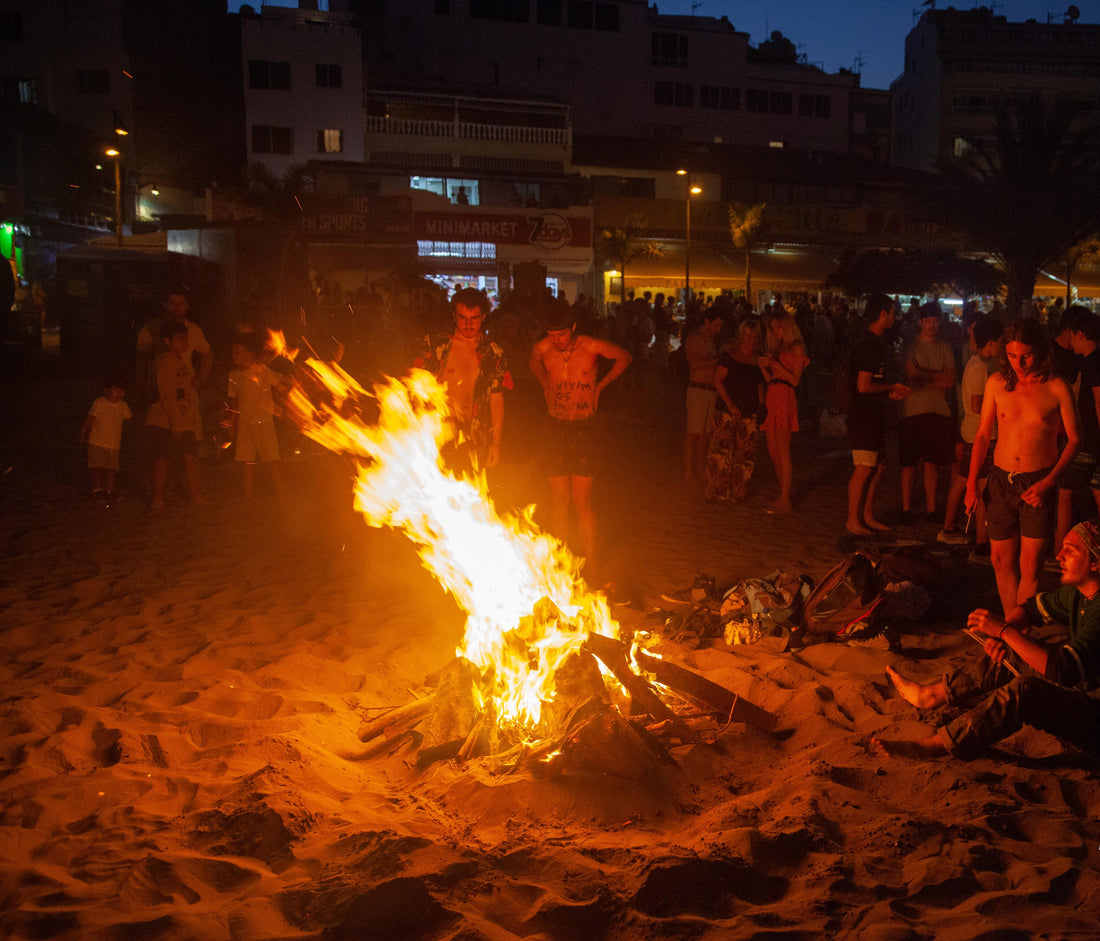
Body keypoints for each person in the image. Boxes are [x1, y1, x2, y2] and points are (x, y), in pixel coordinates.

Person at [872, 522, 1100, 760]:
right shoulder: (1082, 593)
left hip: (1094, 720)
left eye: (1071, 551)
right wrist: (1007, 635)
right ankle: (933, 694)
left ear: (1096, 563)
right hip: (1084, 690)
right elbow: (1031, 609)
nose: (1059, 556)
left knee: (1024, 691)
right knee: (1015, 650)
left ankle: (937, 745)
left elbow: (1063, 669)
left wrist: (1003, 631)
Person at [966, 318, 1079, 617]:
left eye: (1025, 355)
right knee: (1001, 561)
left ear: (1039, 351)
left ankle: (1018, 631)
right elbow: (981, 435)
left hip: (1038, 482)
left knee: (1031, 566)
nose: (1019, 362)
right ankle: (1009, 624)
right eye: (1013, 356)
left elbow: (1075, 439)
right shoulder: (996, 384)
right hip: (1000, 480)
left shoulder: (1056, 386)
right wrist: (970, 485)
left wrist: (1049, 481)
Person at [529, 306, 632, 580]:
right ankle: (561, 563)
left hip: (585, 428)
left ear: (573, 327)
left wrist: (601, 386)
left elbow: (625, 357)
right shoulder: (544, 347)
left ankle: (593, 563)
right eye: (551, 335)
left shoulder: (592, 346)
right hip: (555, 427)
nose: (556, 340)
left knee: (582, 501)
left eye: (560, 334)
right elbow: (533, 359)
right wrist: (544, 384)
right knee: (559, 499)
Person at [415, 287, 512, 472]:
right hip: (436, 433)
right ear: (454, 316)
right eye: (462, 318)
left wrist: (496, 443)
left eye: (474, 318)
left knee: (470, 493)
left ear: (483, 317)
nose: (468, 324)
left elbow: (497, 399)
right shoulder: (436, 344)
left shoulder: (493, 353)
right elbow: (414, 382)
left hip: (474, 435)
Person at [845, 294, 912, 535]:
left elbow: (871, 385)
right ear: (882, 315)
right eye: (892, 313)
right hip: (863, 416)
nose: (895, 317)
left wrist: (889, 393)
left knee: (877, 466)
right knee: (863, 467)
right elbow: (863, 386)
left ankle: (867, 515)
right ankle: (853, 519)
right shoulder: (868, 344)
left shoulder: (877, 343)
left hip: (875, 413)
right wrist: (891, 388)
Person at [938, 315, 1003, 548]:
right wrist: (1001, 400)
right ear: (992, 343)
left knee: (968, 482)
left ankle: (954, 529)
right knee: (976, 485)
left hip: (972, 432)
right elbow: (977, 405)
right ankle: (976, 539)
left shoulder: (976, 365)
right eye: (1001, 342)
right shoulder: (979, 368)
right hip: (978, 433)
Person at [899, 303, 956, 524]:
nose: (932, 324)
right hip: (911, 410)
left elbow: (949, 380)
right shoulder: (911, 346)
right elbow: (911, 375)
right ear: (921, 322)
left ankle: (931, 509)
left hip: (938, 410)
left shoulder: (945, 347)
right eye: (928, 320)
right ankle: (906, 509)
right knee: (909, 463)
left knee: (932, 462)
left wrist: (922, 375)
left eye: (935, 320)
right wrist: (935, 376)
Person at [147, 318, 207, 509]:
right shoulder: (165, 363)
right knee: (162, 460)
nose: (185, 343)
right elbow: (167, 395)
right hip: (165, 421)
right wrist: (176, 421)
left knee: (190, 457)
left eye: (185, 339)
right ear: (167, 341)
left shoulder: (179, 361)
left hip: (183, 420)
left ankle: (196, 496)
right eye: (180, 339)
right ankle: (157, 499)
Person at [705, 316, 765, 503]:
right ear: (741, 336)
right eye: (747, 335)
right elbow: (718, 381)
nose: (750, 340)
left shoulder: (758, 361)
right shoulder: (729, 357)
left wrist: (762, 407)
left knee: (745, 456)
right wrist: (730, 404)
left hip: (749, 411)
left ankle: (738, 492)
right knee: (721, 452)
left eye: (754, 336)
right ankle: (716, 491)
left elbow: (760, 386)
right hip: (726, 410)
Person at [1055, 307, 1100, 552]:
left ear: (1081, 334)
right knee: (1097, 490)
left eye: (1072, 335)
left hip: (1089, 441)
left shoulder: (1093, 363)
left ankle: (1057, 551)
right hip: (1094, 440)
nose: (1069, 340)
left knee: (1064, 491)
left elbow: (1099, 402)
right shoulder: (1089, 362)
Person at [227, 329, 289, 502]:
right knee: (247, 460)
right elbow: (234, 402)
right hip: (245, 424)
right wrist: (232, 422)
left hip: (264, 423)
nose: (233, 355)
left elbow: (280, 384)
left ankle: (281, 492)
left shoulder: (262, 371)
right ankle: (248, 494)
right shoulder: (234, 376)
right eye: (233, 351)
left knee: (272, 459)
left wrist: (291, 390)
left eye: (237, 351)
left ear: (249, 354)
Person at [758, 310, 810, 514]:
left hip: (785, 396)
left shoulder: (797, 347)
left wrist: (774, 364)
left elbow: (795, 380)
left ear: (787, 326)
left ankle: (784, 500)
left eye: (779, 327)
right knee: (772, 452)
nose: (776, 331)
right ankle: (783, 494)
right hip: (773, 394)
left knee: (783, 451)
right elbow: (772, 378)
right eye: (772, 328)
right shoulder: (777, 347)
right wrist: (763, 365)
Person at [135, 286, 213, 409]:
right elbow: (142, 360)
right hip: (159, 392)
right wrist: (142, 387)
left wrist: (200, 378)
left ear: (186, 306)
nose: (177, 308)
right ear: (164, 304)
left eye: (181, 304)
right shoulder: (151, 328)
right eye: (173, 303)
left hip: (186, 391)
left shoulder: (193, 330)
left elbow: (207, 355)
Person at [682, 309, 724, 483]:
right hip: (698, 390)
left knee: (705, 433)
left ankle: (700, 469)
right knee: (693, 433)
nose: (719, 329)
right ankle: (689, 471)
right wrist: (715, 361)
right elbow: (694, 364)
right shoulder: (695, 339)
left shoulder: (710, 340)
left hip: (709, 390)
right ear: (706, 321)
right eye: (716, 325)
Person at [79, 378, 132, 501]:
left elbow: (128, 419)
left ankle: (110, 490)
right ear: (106, 390)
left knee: (111, 469)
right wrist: (83, 433)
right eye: (115, 389)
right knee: (97, 467)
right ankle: (97, 489)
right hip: (96, 442)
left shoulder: (123, 406)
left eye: (121, 390)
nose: (119, 393)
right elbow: (89, 420)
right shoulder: (99, 403)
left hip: (113, 443)